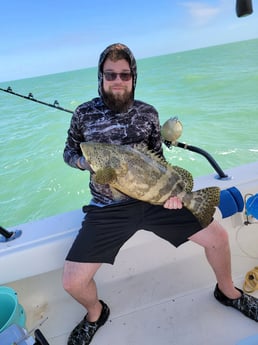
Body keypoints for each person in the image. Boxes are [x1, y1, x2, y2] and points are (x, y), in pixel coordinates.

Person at [63, 43, 258, 345]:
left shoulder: (147, 113)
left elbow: (159, 160)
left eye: (124, 75)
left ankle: (228, 292)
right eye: (110, 74)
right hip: (108, 206)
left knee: (218, 238)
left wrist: (173, 194)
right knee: (72, 282)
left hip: (156, 200)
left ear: (133, 77)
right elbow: (69, 152)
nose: (117, 80)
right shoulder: (83, 114)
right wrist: (82, 162)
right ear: (100, 77)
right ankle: (95, 313)